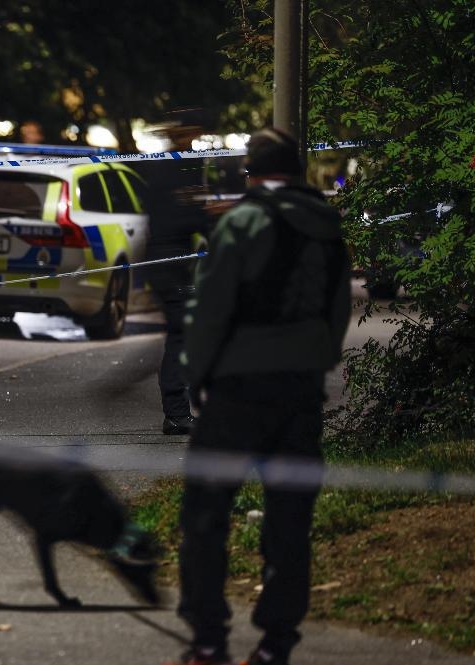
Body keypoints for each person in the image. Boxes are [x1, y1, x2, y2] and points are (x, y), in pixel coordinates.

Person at [167, 127, 352, 665]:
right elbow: (336, 310)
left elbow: (211, 309)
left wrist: (196, 374)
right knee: (289, 520)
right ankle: (275, 644)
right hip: (299, 391)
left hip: (238, 389)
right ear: (296, 173)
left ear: (252, 173)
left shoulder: (241, 224)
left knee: (205, 515)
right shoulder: (327, 229)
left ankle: (208, 639)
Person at [135, 119, 211, 435]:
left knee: (185, 332)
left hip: (168, 259)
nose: (196, 138)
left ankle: (186, 406)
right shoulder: (177, 169)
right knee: (180, 336)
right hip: (170, 261)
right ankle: (177, 414)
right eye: (193, 133)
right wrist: (212, 218)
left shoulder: (168, 165)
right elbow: (184, 217)